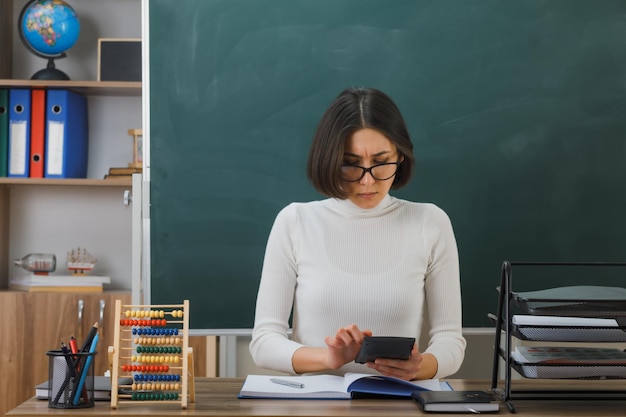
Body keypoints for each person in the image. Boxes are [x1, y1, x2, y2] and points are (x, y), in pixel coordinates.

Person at [249, 87, 466, 381]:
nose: (367, 181)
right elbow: (263, 342)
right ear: (329, 159)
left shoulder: (430, 222)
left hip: (398, 403)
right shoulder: (295, 221)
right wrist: (328, 358)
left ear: (400, 157)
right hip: (313, 405)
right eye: (351, 164)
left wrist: (420, 367)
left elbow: (450, 341)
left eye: (381, 162)